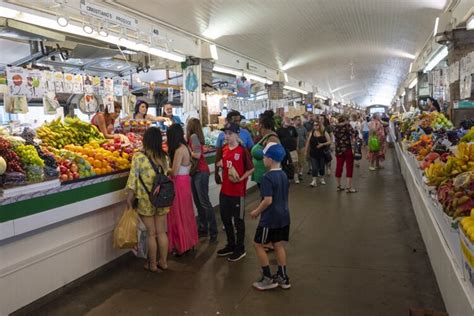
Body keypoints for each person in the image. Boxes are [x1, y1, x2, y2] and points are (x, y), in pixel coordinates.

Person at [126, 127, 169, 272]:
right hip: (162, 199)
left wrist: (129, 199)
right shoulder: (164, 157)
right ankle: (163, 262)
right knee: (162, 232)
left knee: (151, 233)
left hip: (145, 200)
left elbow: (132, 180)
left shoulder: (138, 157)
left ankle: (152, 264)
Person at [250, 142, 291, 291]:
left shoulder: (267, 177)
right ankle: (283, 276)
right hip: (284, 216)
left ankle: (267, 278)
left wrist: (256, 211)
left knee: (258, 244)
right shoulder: (283, 175)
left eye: (265, 157)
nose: (263, 160)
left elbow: (268, 200)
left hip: (270, 219)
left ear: (271, 159)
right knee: (278, 244)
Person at [216, 122, 254, 262]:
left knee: (238, 221)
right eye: (225, 133)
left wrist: (241, 179)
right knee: (225, 220)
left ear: (237, 134)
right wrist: (221, 166)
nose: (227, 136)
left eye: (230, 133)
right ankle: (231, 245)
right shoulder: (225, 149)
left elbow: (251, 169)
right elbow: (224, 164)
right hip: (225, 191)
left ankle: (240, 248)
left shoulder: (242, 151)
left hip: (238, 193)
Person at [166, 124, 199, 255]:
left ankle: (180, 245)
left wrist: (162, 168)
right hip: (185, 182)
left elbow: (173, 171)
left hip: (178, 183)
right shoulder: (186, 147)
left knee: (178, 215)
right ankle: (188, 242)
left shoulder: (179, 150)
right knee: (186, 213)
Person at [186, 118, 218, 243]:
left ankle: (213, 231)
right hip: (198, 172)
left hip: (200, 172)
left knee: (204, 203)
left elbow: (197, 155)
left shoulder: (193, 136)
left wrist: (187, 150)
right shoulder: (197, 136)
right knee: (199, 202)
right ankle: (203, 228)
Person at [215, 110, 254, 184]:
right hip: (226, 172)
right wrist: (216, 172)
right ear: (228, 120)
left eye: (239, 120)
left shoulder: (245, 133)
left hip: (241, 172)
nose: (238, 123)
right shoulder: (222, 135)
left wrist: (247, 165)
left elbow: (251, 150)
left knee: (239, 192)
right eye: (235, 121)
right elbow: (218, 155)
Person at [251, 110, 280, 186]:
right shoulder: (265, 137)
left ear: (261, 125)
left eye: (258, 123)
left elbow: (274, 160)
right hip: (262, 176)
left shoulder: (271, 138)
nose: (256, 125)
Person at [333, 116, 357, 193]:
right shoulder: (347, 126)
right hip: (347, 149)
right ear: (345, 120)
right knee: (349, 167)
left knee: (339, 167)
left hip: (338, 149)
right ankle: (348, 187)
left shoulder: (335, 127)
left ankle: (338, 186)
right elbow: (354, 134)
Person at [306, 120, 331, 187]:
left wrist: (322, 144)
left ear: (319, 125)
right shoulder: (312, 132)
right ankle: (314, 181)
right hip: (313, 153)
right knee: (314, 167)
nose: (315, 126)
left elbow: (329, 141)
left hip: (322, 153)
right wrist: (306, 151)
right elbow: (308, 142)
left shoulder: (324, 132)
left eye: (317, 125)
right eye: (314, 125)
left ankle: (322, 178)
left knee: (321, 167)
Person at [276, 116, 298, 183]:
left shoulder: (292, 128)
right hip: (283, 150)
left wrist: (296, 145)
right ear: (283, 121)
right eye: (286, 120)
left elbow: (296, 137)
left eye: (288, 119)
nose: (288, 121)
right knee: (285, 164)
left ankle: (296, 176)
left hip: (292, 149)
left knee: (295, 163)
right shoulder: (279, 130)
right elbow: (277, 140)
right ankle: (287, 177)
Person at [294, 116, 307, 182]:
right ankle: (296, 173)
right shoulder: (292, 128)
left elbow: (306, 137)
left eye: (300, 120)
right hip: (294, 147)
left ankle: (300, 173)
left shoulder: (303, 128)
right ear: (294, 121)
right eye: (298, 120)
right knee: (295, 161)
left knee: (301, 160)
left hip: (302, 146)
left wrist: (305, 145)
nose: (299, 121)